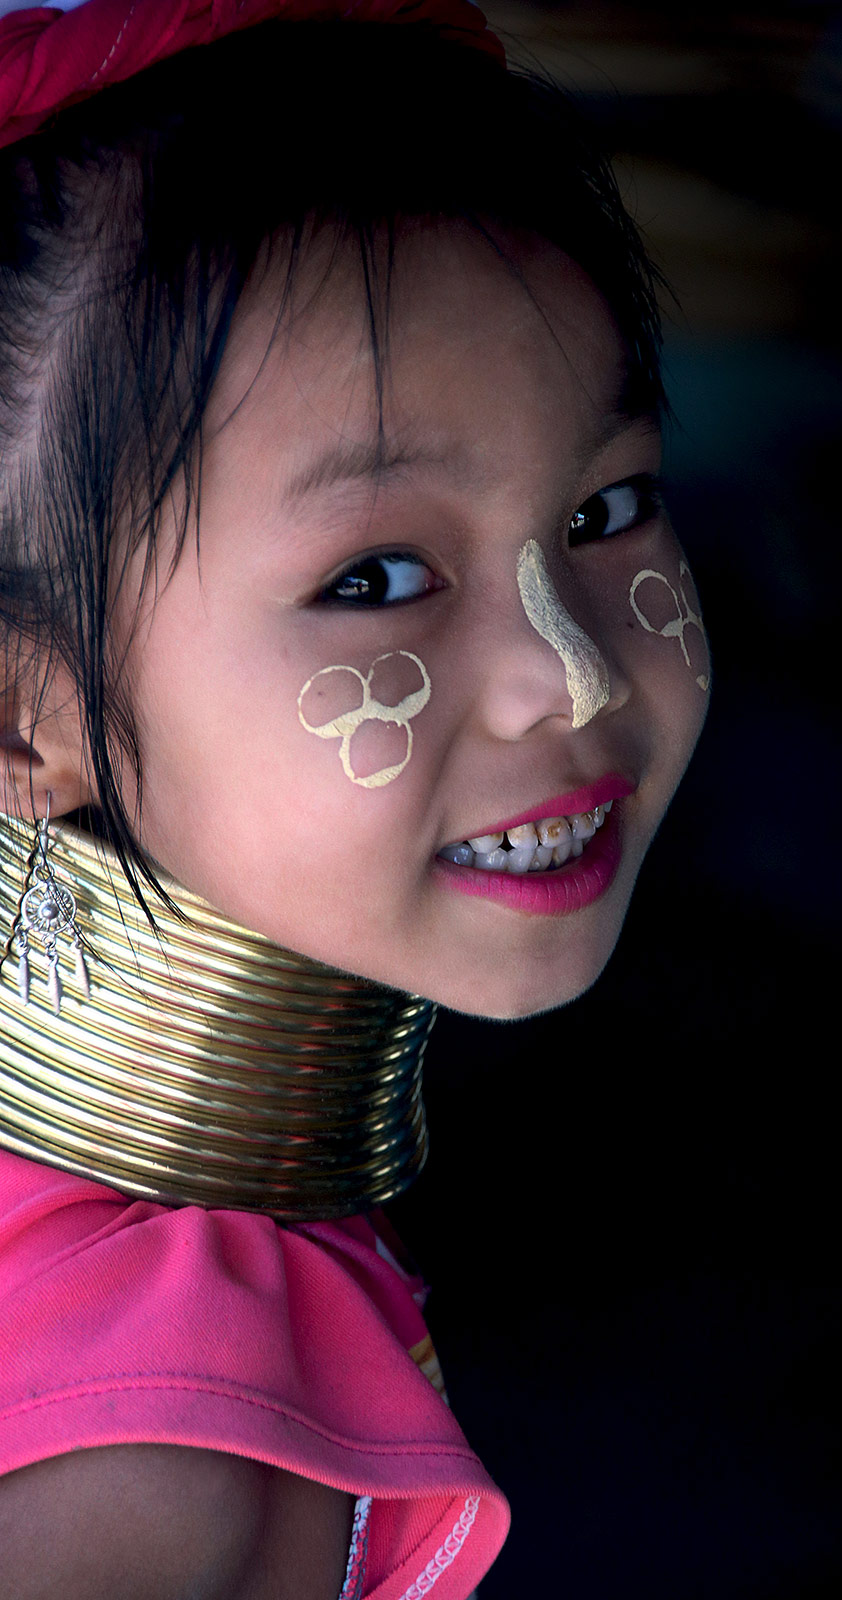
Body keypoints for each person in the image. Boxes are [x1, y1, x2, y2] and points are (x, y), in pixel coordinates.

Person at [0, 1, 709, 1595]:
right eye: (377, 576)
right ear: (17, 708)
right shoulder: (158, 1474)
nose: (571, 674)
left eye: (607, 507)